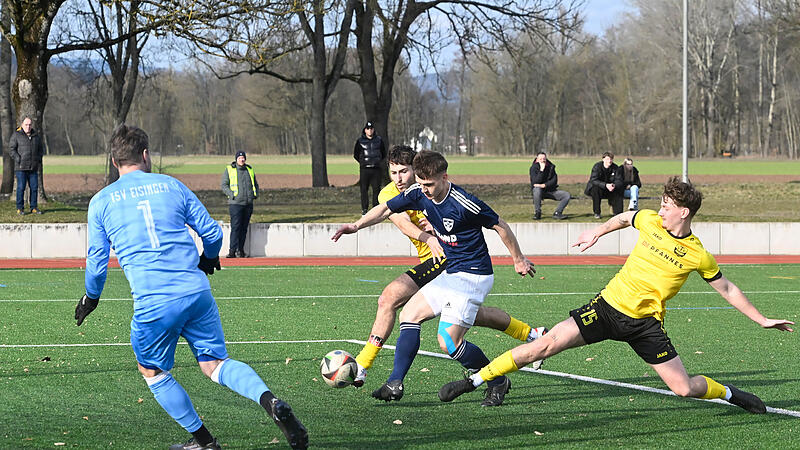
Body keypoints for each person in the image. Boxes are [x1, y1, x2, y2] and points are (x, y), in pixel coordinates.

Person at [438, 177, 794, 415]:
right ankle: (473, 382)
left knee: (684, 389)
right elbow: (625, 218)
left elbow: (727, 288)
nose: (662, 208)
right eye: (663, 202)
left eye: (668, 204)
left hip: (645, 326)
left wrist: (762, 319)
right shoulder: (651, 220)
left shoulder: (699, 254)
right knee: (543, 346)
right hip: (607, 308)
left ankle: (730, 394)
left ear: (684, 212)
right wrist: (597, 232)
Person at [77, 124, 307, 450]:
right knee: (215, 364)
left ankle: (204, 442)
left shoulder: (100, 201)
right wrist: (208, 258)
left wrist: (91, 297)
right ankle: (270, 401)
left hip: (154, 303)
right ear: (146, 155)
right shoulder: (172, 185)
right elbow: (212, 234)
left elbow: (97, 261)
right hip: (196, 293)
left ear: (115, 162)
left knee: (152, 370)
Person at [332, 150, 538, 407]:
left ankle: (497, 379)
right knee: (409, 315)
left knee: (449, 342)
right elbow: (385, 209)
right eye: (421, 184)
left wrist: (518, 259)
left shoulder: (464, 202)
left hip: (473, 275)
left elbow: (500, 225)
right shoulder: (417, 192)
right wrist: (356, 225)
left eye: (429, 185)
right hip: (451, 271)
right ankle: (395, 381)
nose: (425, 190)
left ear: (444, 176)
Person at [221, 150, 259, 258]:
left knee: (244, 228)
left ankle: (241, 250)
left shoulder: (249, 169)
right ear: (236, 159)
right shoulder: (230, 169)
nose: (241, 160)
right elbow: (224, 185)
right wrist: (232, 195)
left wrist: (254, 194)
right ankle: (232, 251)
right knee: (235, 227)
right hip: (236, 204)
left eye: (243, 158)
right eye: (239, 158)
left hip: (248, 203)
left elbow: (255, 184)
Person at [8, 116, 44, 215]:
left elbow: (41, 149)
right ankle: (20, 208)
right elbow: (11, 149)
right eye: (26, 124)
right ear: (22, 125)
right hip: (21, 168)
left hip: (33, 167)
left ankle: (34, 207)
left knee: (34, 188)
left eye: (29, 124)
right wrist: (18, 159)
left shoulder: (36, 136)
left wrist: (38, 159)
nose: (28, 126)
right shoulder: (16, 135)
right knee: (21, 188)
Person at [353, 121, 386, 215]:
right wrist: (363, 162)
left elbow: (383, 153)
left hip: (376, 169)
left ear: (373, 130)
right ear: (365, 130)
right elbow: (356, 154)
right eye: (368, 129)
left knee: (376, 189)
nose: (370, 131)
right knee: (364, 189)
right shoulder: (360, 141)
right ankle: (364, 209)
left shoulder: (379, 140)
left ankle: (375, 208)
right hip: (365, 169)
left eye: (371, 129)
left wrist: (378, 161)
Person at [529, 151, 570, 220]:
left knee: (566, 195)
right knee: (536, 189)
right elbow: (535, 181)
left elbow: (554, 181)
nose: (542, 161)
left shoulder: (551, 167)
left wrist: (544, 185)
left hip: (550, 190)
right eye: (540, 159)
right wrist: (541, 170)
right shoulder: (533, 168)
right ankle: (538, 212)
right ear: (537, 160)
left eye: (544, 159)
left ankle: (558, 213)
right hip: (539, 192)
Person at [584, 151, 623, 219]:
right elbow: (593, 180)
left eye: (611, 159)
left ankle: (618, 214)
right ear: (603, 159)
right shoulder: (597, 167)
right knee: (595, 189)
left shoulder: (615, 168)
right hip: (598, 188)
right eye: (608, 159)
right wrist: (605, 185)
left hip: (610, 189)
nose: (609, 161)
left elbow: (619, 180)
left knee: (618, 190)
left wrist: (614, 185)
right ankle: (597, 213)